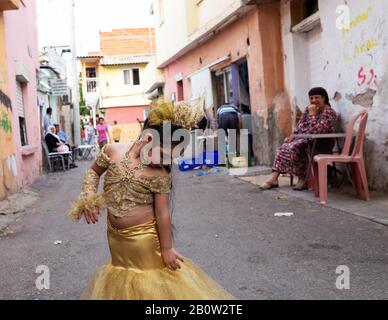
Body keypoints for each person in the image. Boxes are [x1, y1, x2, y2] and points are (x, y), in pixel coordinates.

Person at [68, 100, 234, 300]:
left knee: (150, 289)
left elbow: (162, 213)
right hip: (116, 240)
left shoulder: (160, 174)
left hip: (145, 241)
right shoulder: (113, 151)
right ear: (148, 139)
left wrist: (166, 248)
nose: (165, 162)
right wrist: (89, 195)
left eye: (172, 158)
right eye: (163, 155)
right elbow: (93, 172)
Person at [262, 87, 337, 190]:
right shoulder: (308, 109)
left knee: (296, 147)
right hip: (307, 140)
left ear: (323, 98)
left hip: (321, 143)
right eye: (311, 98)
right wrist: (292, 137)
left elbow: (317, 131)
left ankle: (303, 178)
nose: (314, 100)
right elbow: (300, 126)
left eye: (317, 97)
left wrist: (312, 115)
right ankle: (274, 178)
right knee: (284, 147)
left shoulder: (329, 113)